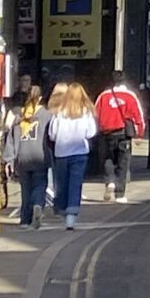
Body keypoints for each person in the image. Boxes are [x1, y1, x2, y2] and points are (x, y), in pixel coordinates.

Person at [45, 83, 97, 229]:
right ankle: (71, 215)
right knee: (75, 184)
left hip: (61, 153)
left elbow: (52, 135)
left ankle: (61, 210)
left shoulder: (59, 113)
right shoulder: (86, 112)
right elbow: (90, 133)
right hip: (80, 153)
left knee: (61, 184)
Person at [92, 75, 146, 203]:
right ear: (125, 82)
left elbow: (95, 114)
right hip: (123, 134)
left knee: (107, 158)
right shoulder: (130, 96)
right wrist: (139, 134)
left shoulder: (103, 96)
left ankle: (110, 180)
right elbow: (138, 116)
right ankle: (120, 194)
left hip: (106, 133)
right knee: (123, 163)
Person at [8, 86, 50, 227]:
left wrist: (9, 159)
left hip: (22, 156)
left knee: (25, 189)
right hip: (40, 155)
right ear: (40, 98)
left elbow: (12, 137)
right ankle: (37, 204)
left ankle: (25, 220)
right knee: (39, 185)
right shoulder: (46, 115)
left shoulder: (20, 115)